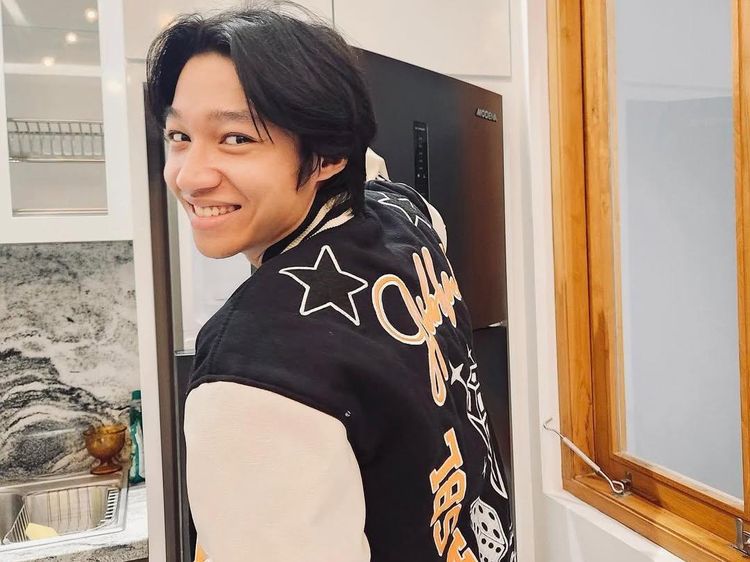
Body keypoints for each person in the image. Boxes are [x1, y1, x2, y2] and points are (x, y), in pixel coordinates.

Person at [146, 5, 514, 561]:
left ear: (328, 156)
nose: (189, 176)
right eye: (179, 135)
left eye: (236, 138)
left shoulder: (250, 385)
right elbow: (374, 171)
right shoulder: (407, 217)